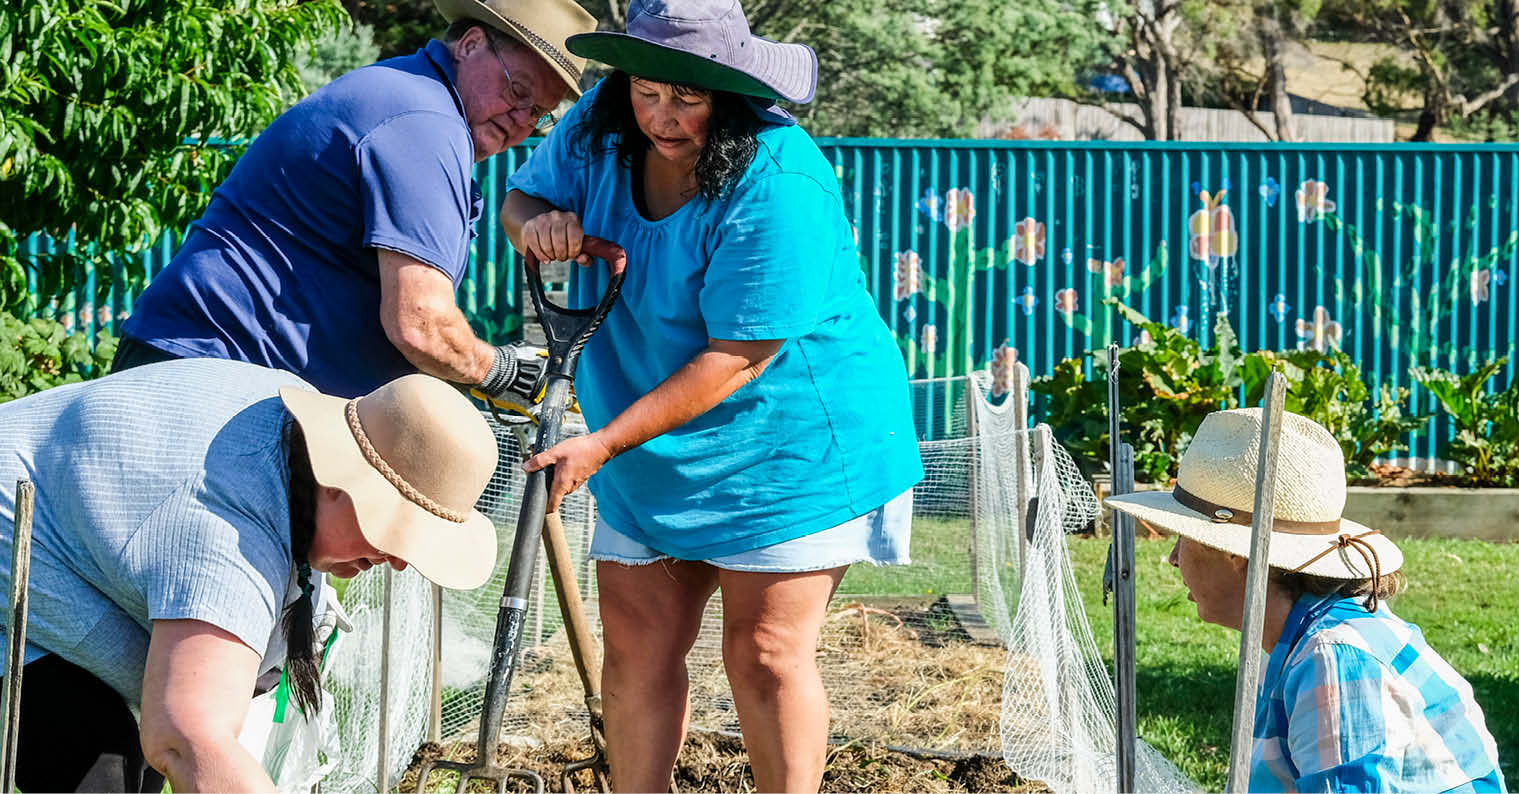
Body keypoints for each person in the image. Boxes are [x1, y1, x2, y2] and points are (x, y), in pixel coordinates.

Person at [497, 0, 923, 790]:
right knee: (636, 646)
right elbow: (520, 200)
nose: (663, 116)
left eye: (687, 98)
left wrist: (599, 443)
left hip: (788, 441)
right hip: (640, 431)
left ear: (727, 91)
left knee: (763, 654)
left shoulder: (780, 180)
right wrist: (537, 226)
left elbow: (735, 357)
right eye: (648, 91)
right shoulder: (598, 121)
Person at [0, 358, 501, 793]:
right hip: (15, 551)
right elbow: (186, 734)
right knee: (107, 771)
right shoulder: (228, 523)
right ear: (336, 482)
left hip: (64, 549)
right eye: (391, 531)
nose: (397, 560)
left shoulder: (289, 451)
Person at [116, 0, 601, 404]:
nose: (520, 121)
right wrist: (499, 372)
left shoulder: (409, 97)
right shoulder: (423, 121)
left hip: (219, 375)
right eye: (517, 91)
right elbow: (421, 325)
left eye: (537, 113)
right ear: (471, 45)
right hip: (205, 380)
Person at [1103, 409, 1505, 793]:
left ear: (1238, 556)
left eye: (1183, 539)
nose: (1173, 558)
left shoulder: (1331, 660)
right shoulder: (1306, 638)